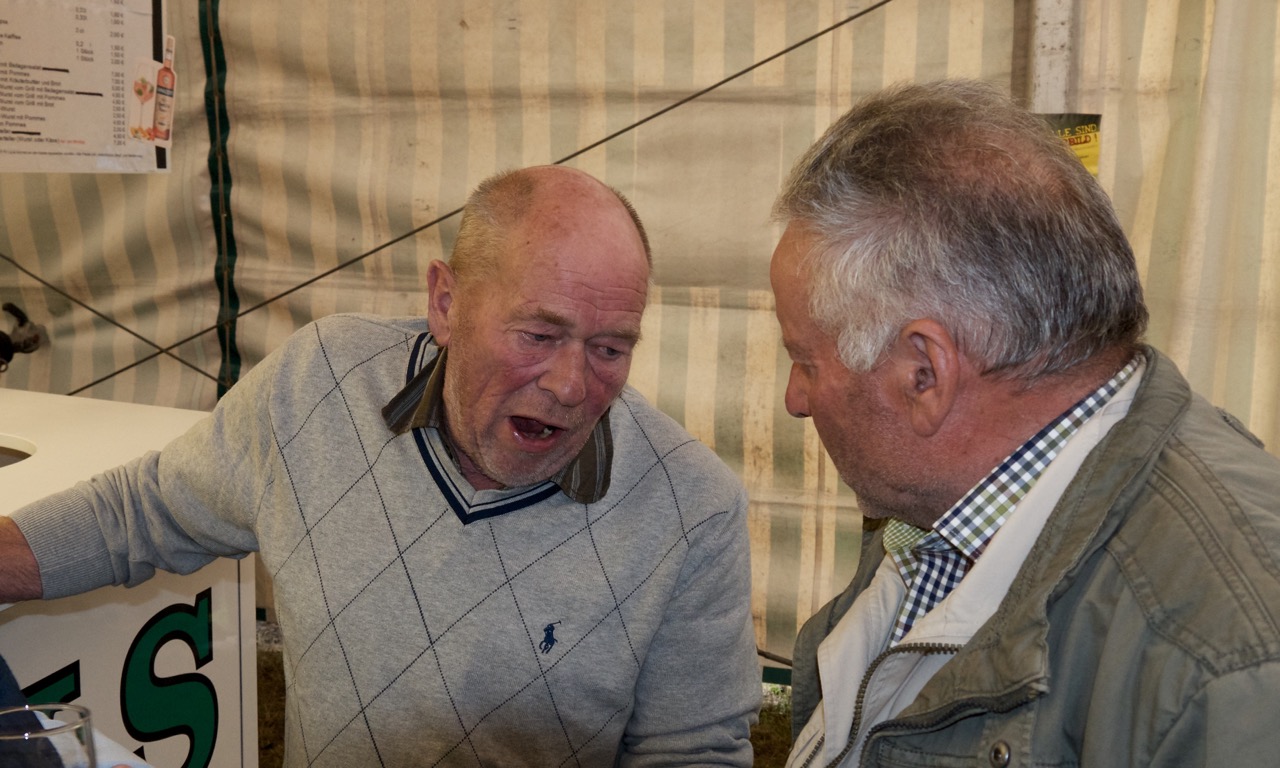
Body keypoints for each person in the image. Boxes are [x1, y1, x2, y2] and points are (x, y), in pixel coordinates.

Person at [0, 165, 760, 766]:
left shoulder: (692, 509)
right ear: (446, 302)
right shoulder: (319, 384)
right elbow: (141, 511)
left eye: (611, 348)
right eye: (538, 335)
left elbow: (694, 754)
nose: (570, 385)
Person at [769, 79, 1280, 767]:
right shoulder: (943, 503)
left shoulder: (1224, 663)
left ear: (924, 374)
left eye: (805, 361)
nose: (795, 400)